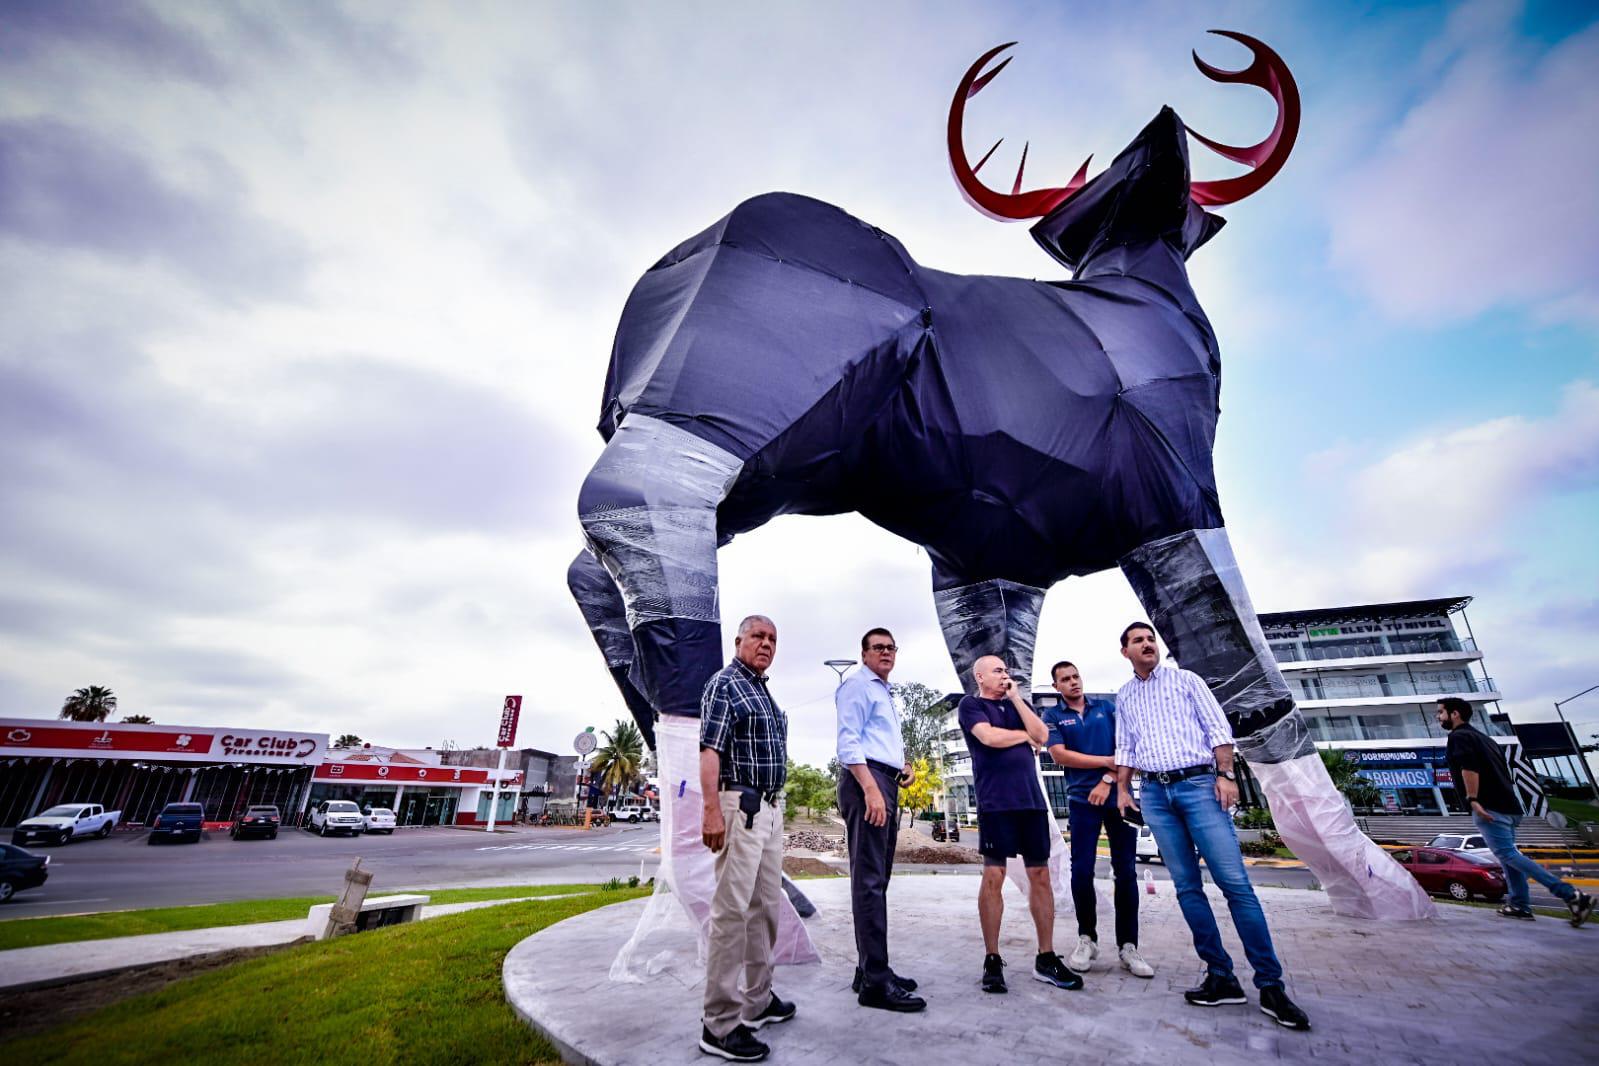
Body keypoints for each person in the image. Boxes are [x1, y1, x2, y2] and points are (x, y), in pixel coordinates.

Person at [1113, 622, 1311, 1032]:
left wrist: (1225, 775)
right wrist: (1122, 789)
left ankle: (1271, 985)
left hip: (1199, 786)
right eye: (1138, 641)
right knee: (1186, 887)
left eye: (1151, 639)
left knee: (1235, 884)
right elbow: (1126, 746)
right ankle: (1220, 975)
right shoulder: (1125, 695)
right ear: (1125, 652)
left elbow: (1218, 729)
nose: (1147, 644)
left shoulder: (1186, 680)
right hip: (1154, 793)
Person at [697, 615, 795, 1062]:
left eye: (772, 638)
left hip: (770, 810)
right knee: (731, 912)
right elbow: (711, 750)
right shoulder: (725, 684)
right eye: (758, 636)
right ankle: (718, 1023)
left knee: (764, 910)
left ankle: (757, 1000)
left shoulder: (761, 688)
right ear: (738, 640)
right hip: (740, 808)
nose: (766, 643)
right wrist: (712, 808)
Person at [958, 655, 1082, 994]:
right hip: (995, 803)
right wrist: (1022, 736)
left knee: (1040, 875)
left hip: (1031, 802)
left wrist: (1015, 699)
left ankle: (1046, 957)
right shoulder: (971, 705)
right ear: (979, 676)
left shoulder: (1019, 703)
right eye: (997, 670)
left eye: (1006, 670)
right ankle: (992, 958)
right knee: (994, 875)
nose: (1004, 675)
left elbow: (1041, 734)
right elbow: (988, 738)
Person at [1438, 696, 1594, 926]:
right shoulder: (1485, 739)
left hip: (1489, 806)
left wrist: (1472, 798)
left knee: (1508, 855)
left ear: (1455, 714)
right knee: (1508, 857)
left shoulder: (1459, 736)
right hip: (1510, 807)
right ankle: (1519, 905)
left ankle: (1571, 895)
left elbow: (1468, 767)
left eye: (1441, 712)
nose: (1438, 717)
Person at [836, 627, 927, 1012]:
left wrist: (899, 767)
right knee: (869, 882)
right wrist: (872, 788)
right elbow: (848, 742)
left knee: (878, 880)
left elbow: (877, 742)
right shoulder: (858, 684)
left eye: (891, 647)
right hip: (865, 783)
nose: (886, 652)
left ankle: (870, 969)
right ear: (864, 653)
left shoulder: (882, 690)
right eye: (878, 647)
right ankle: (875, 981)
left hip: (882, 780)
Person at [1043, 661, 1152, 978]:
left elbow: (1128, 749)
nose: (1073, 682)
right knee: (1082, 872)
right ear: (1056, 687)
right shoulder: (1052, 716)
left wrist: (1108, 778)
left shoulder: (1107, 707)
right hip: (1081, 801)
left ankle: (1128, 946)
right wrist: (1106, 760)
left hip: (1119, 798)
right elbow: (1060, 755)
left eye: (1076, 675)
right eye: (1065, 679)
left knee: (1126, 872)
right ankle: (1086, 939)